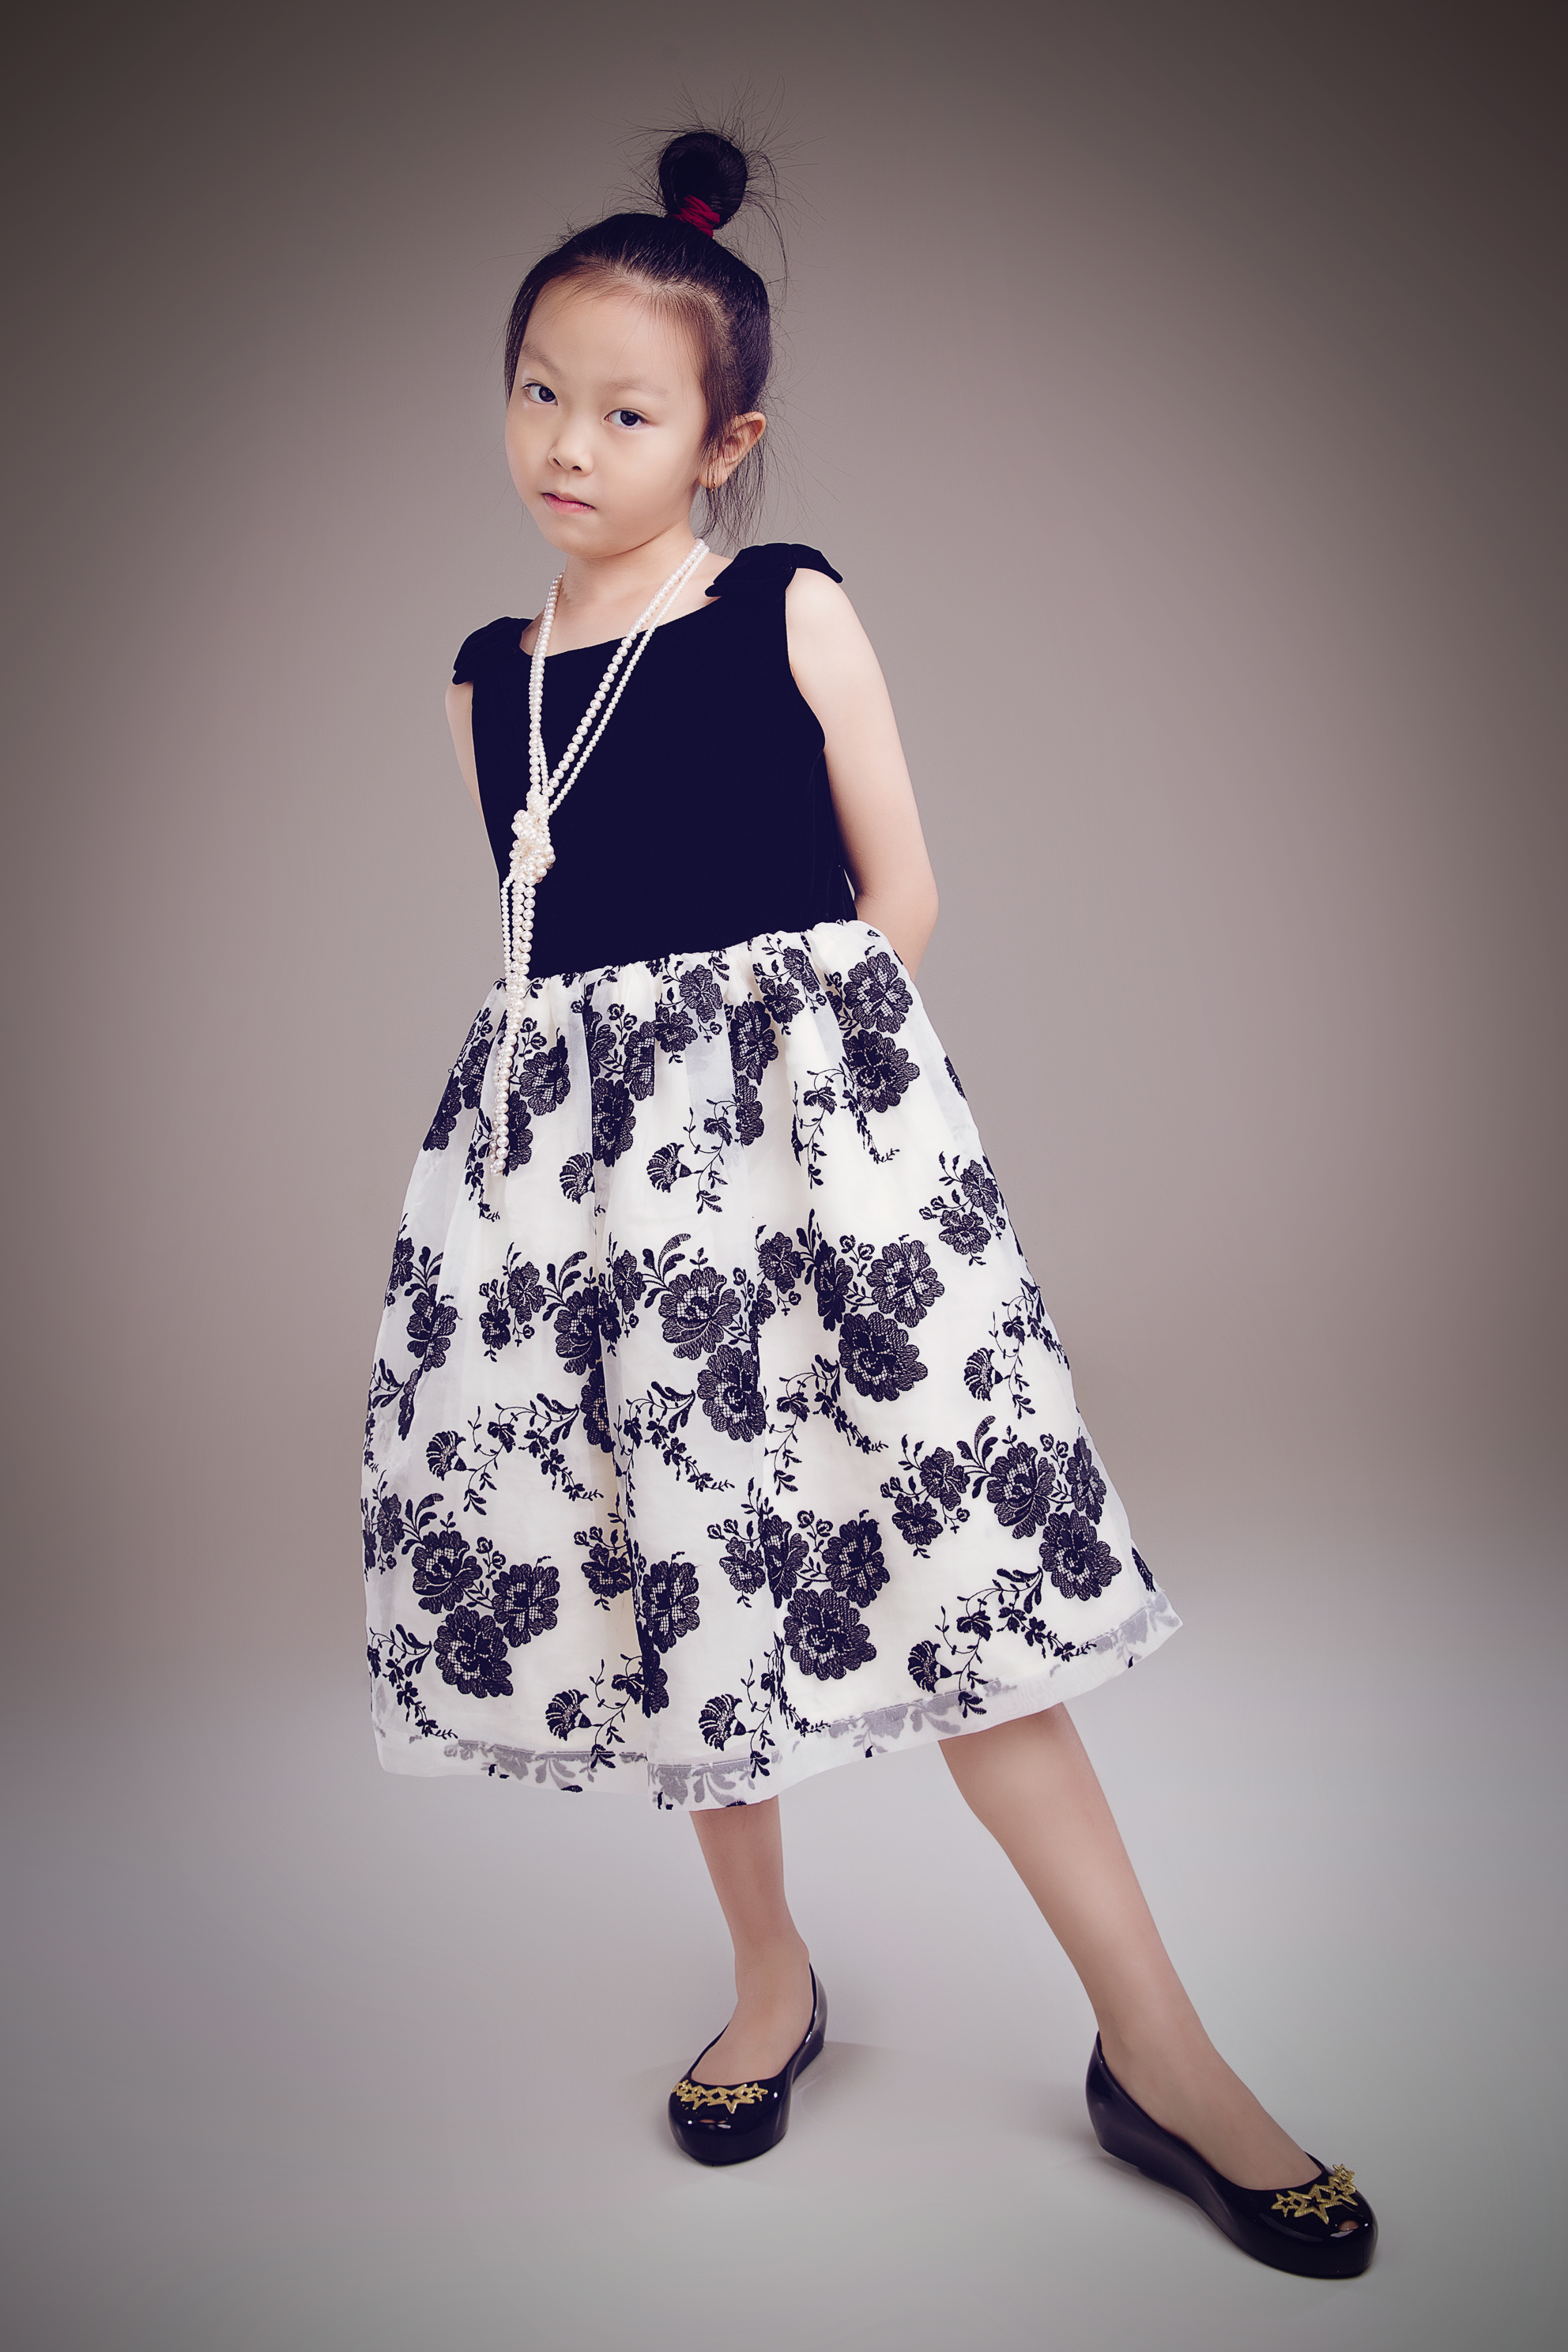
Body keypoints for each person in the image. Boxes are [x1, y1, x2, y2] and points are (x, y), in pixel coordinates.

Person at [360, 125, 1374, 2278]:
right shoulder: (484, 682)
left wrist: (785, 1160)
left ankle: (1161, 2051)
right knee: (686, 1614)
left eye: (628, 412)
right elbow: (543, 992)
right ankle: (770, 1981)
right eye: (538, 390)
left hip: (822, 1208)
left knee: (976, 1610)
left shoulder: (780, 607)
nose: (568, 443)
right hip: (597, 1243)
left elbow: (897, 898)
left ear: (723, 443)